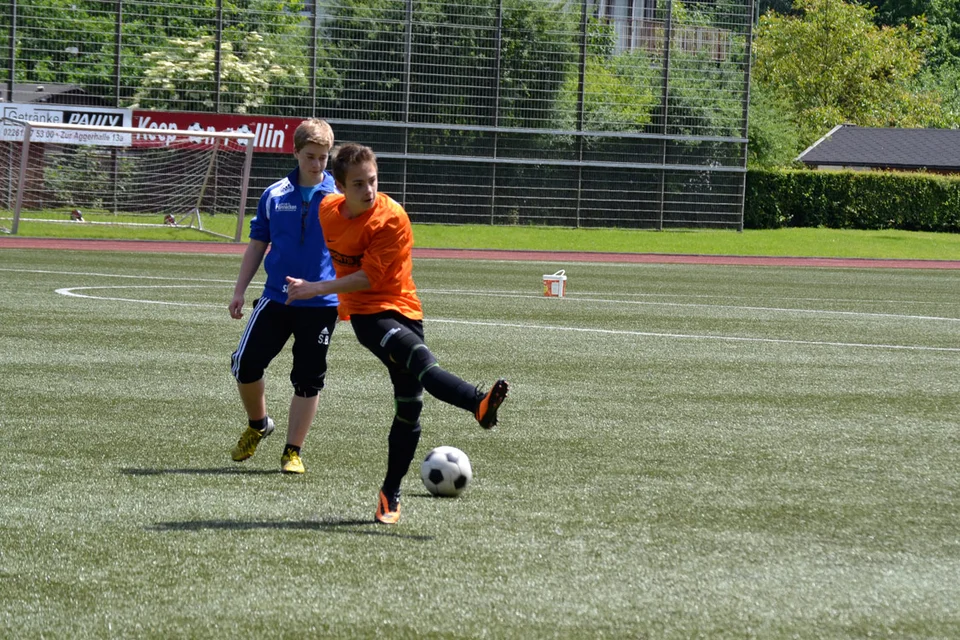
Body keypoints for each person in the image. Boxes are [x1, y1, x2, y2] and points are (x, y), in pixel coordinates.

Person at [285, 143, 509, 524]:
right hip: (368, 317)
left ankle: (389, 494)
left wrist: (312, 288)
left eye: (372, 181)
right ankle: (477, 403)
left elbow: (368, 276)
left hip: (404, 310)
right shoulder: (327, 209)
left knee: (409, 407)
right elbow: (357, 282)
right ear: (339, 185)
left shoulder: (391, 219)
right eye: (358, 183)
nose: (368, 190)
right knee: (420, 360)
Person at [228, 118, 340, 475]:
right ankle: (259, 424)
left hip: (320, 305)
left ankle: (292, 451)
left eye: (323, 157)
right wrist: (240, 291)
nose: (317, 164)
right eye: (310, 156)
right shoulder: (274, 195)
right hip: (275, 299)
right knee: (245, 365)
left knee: (308, 379)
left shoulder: (339, 199)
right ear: (295, 152)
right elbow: (258, 242)